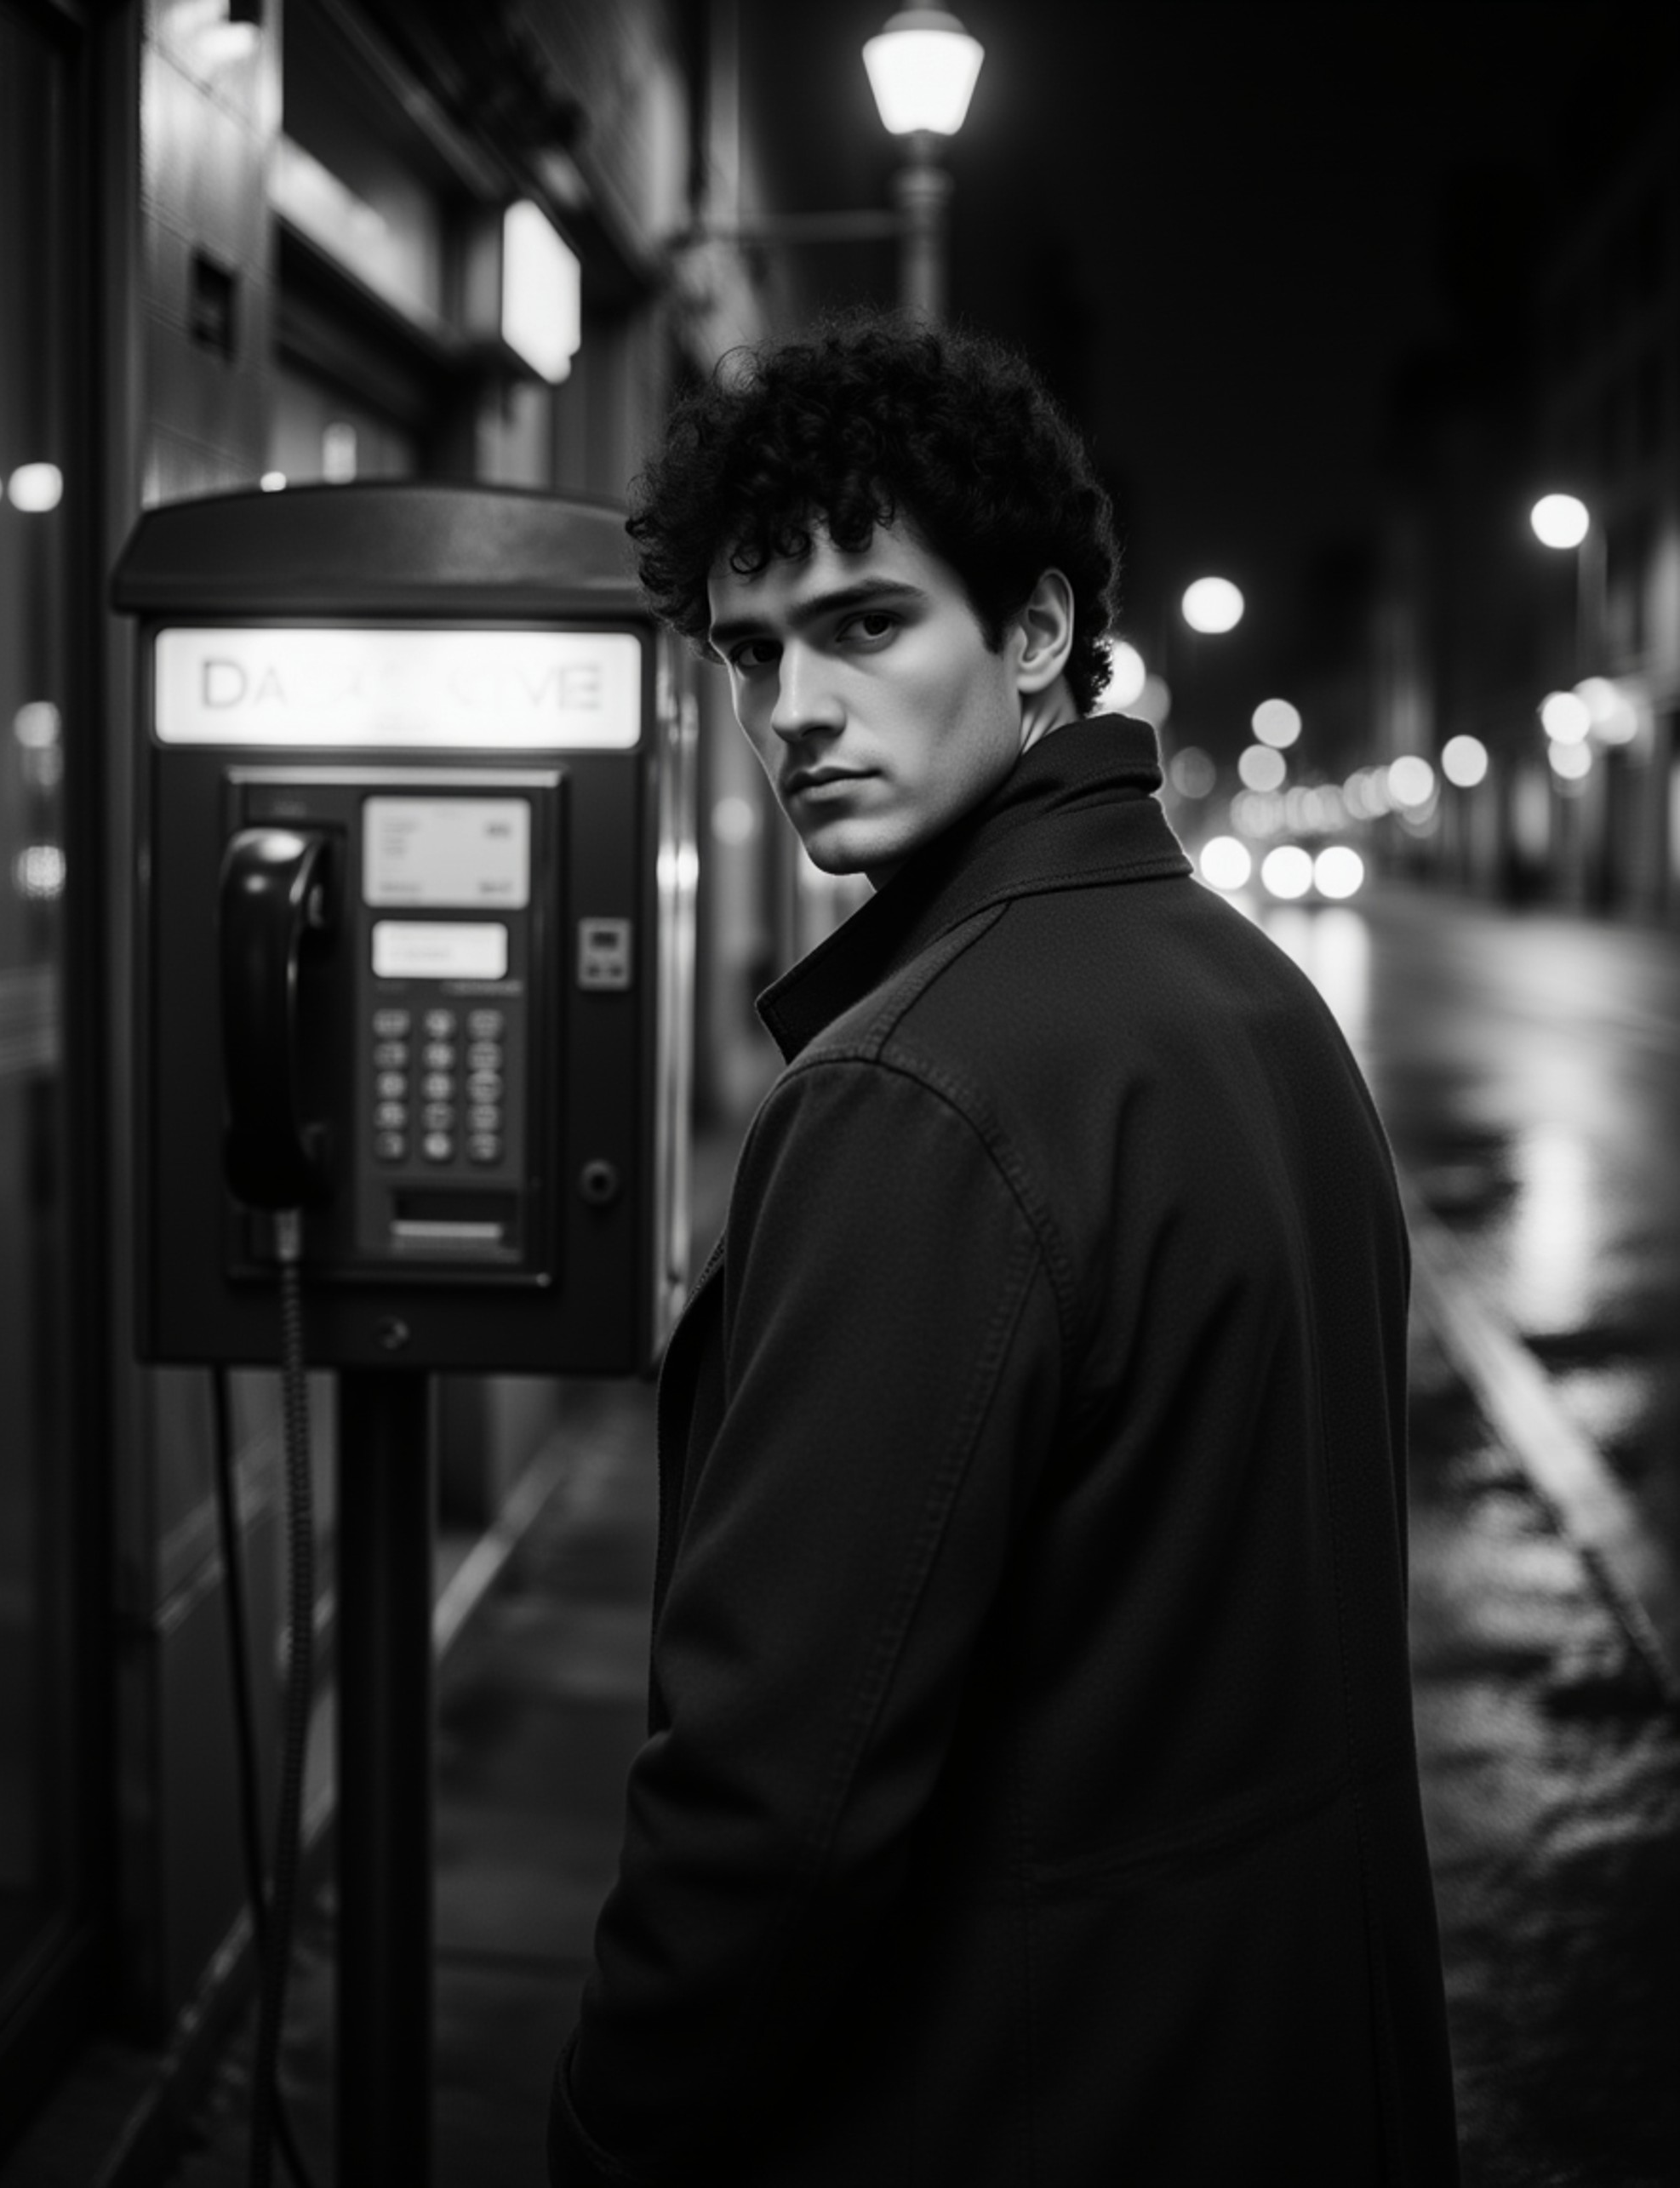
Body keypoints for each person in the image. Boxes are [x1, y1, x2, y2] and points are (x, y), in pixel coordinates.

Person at [546, 313, 1459, 2185]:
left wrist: (607, 2143)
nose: (792, 705)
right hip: (1292, 2064)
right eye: (746, 648)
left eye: (864, 623)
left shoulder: (915, 1092)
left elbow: (764, 1810)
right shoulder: (1252, 1000)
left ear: (1035, 632)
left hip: (1024, 2095)